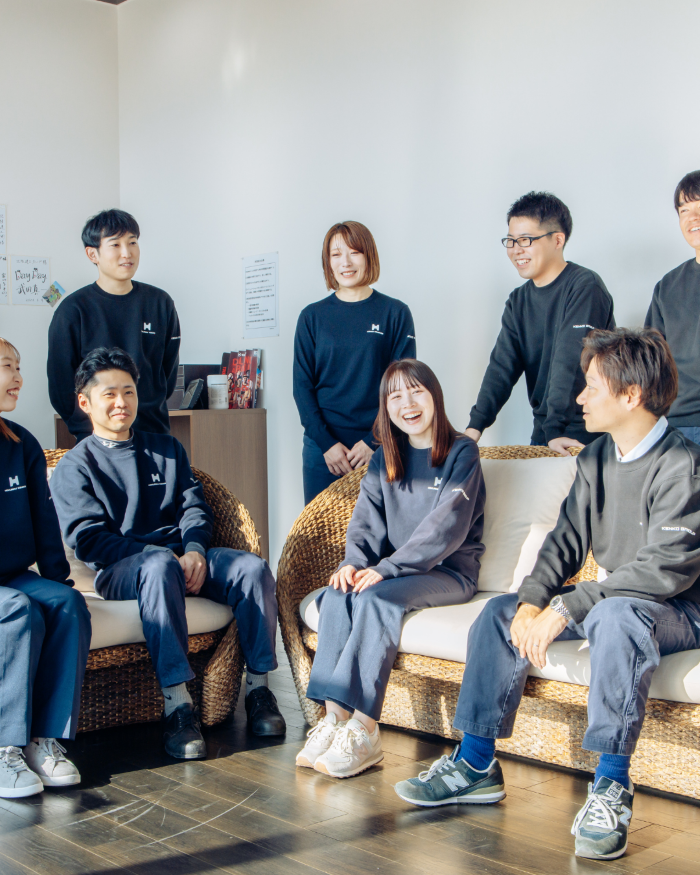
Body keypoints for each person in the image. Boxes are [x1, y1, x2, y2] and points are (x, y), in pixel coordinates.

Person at [396, 328, 700, 862]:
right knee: (500, 613)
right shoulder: (597, 458)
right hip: (615, 599)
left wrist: (568, 605)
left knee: (615, 617)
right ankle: (475, 764)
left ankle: (611, 786)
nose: (580, 398)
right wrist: (533, 601)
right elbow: (564, 541)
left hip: (678, 608)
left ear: (631, 395)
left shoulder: (683, 464)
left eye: (592, 386)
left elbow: (666, 568)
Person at [50, 348, 285, 760]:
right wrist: (161, 555)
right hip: (123, 570)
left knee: (251, 568)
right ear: (85, 403)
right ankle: (178, 706)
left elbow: (195, 507)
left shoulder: (166, 448)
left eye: (128, 391)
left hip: (184, 558)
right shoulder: (75, 466)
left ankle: (259, 691)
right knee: (159, 566)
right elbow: (89, 540)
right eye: (109, 394)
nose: (121, 402)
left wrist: (194, 550)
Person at [297, 359, 485, 778]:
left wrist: (389, 568)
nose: (408, 404)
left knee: (376, 599)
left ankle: (365, 730)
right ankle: (334, 719)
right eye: (396, 396)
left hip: (448, 573)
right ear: (386, 407)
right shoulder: (385, 457)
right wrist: (353, 563)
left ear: (434, 396)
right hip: (397, 571)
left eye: (416, 391)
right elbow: (365, 522)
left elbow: (447, 527)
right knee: (338, 592)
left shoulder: (462, 452)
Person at [0, 337, 91, 799]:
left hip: (13, 576)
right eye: (6, 366)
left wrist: (58, 580)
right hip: (7, 593)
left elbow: (43, 521)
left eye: (18, 367)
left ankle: (44, 740)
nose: (18, 377)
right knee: (19, 611)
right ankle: (5, 747)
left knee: (67, 604)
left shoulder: (22, 443)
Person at [465, 192, 615, 455]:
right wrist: (473, 429)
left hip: (585, 434)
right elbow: (501, 367)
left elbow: (570, 360)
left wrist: (555, 429)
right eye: (510, 241)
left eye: (525, 240)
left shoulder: (584, 287)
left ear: (557, 240)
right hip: (545, 434)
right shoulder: (518, 301)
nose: (516, 250)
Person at [293, 221, 416, 504]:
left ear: (368, 255)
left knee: (381, 528)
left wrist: (375, 441)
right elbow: (302, 388)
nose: (345, 262)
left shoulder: (395, 312)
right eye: (336, 254)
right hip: (323, 451)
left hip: (380, 445)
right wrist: (327, 445)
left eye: (354, 252)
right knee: (320, 529)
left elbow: (403, 387)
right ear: (328, 262)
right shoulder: (311, 317)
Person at [48, 209, 181, 443]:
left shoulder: (160, 303)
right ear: (93, 254)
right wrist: (85, 429)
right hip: (96, 439)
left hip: (154, 433)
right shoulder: (73, 310)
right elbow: (61, 385)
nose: (126, 253)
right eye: (115, 245)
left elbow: (166, 374)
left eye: (132, 242)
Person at [645, 170, 700, 443]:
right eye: (684, 210)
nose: (693, 218)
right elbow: (650, 362)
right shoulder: (667, 286)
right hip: (677, 427)